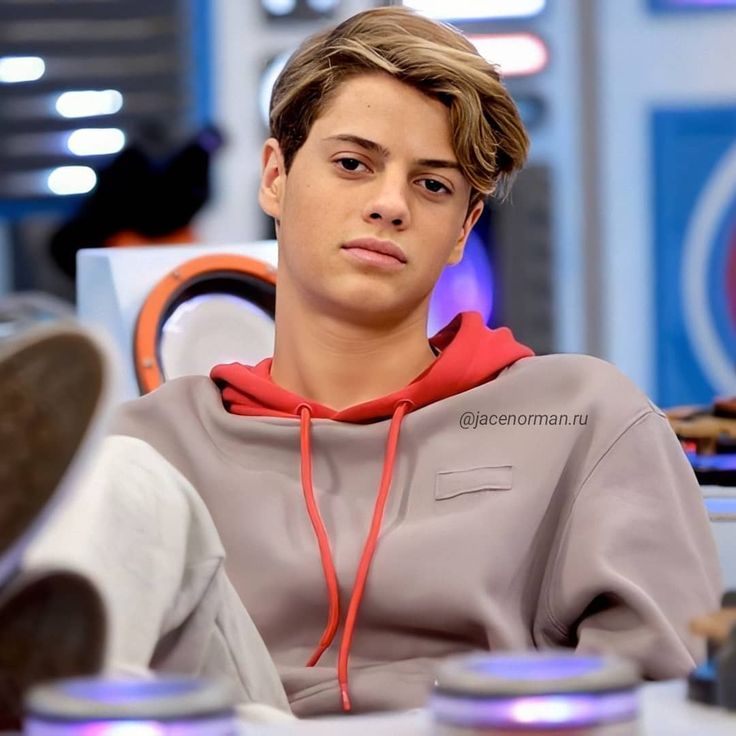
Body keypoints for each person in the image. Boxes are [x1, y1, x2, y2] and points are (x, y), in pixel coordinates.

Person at [7, 4, 722, 722]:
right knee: (122, 476)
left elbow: (663, 696)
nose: (389, 205)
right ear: (274, 178)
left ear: (462, 231)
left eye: (433, 185)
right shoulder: (158, 440)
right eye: (353, 164)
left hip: (477, 725)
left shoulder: (579, 414)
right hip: (227, 714)